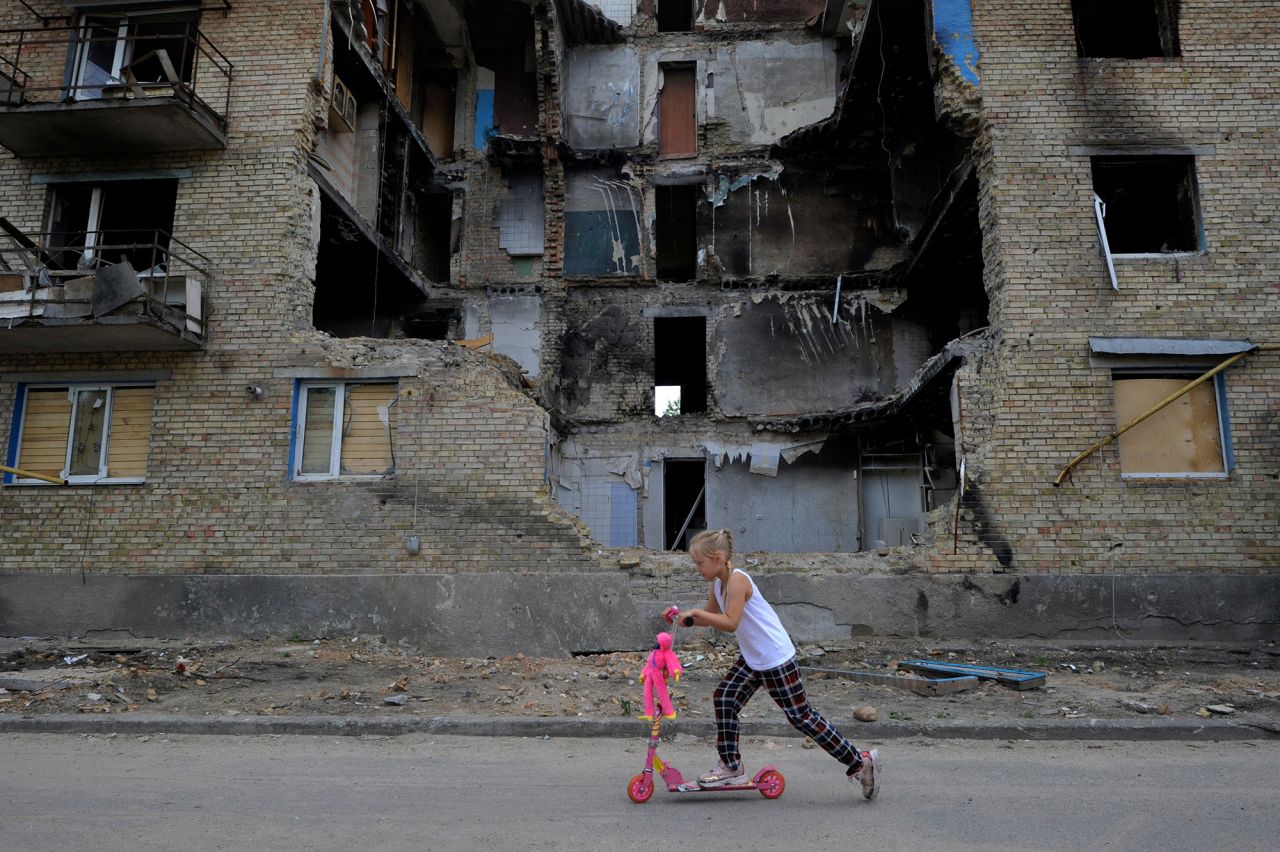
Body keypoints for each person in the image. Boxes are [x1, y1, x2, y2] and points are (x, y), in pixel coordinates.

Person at [676, 528, 879, 801]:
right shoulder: (717, 585)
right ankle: (731, 767)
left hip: (775, 658)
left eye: (700, 562)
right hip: (754, 658)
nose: (697, 568)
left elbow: (730, 622)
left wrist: (698, 614)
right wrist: (685, 617)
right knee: (724, 697)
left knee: (802, 717)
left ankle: (859, 761)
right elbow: (710, 617)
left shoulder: (738, 581)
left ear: (718, 557)